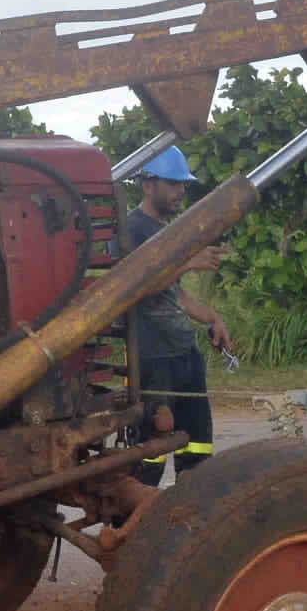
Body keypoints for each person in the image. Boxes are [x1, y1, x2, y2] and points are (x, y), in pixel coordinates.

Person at [119, 146, 233, 487]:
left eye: (183, 184)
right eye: (173, 184)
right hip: (152, 361)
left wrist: (212, 317)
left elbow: (176, 293)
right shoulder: (132, 230)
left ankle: (191, 519)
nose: (181, 191)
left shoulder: (168, 229)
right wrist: (190, 261)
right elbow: (136, 288)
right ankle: (135, 528)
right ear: (148, 185)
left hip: (184, 356)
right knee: (148, 456)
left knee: (197, 449)